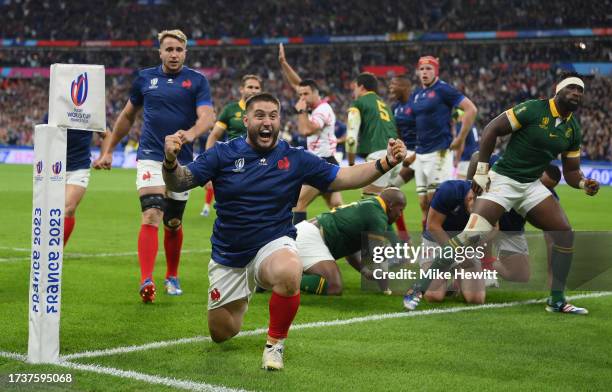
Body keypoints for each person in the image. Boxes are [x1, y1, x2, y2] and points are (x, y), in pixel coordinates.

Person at [161, 92, 407, 370]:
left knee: (291, 269)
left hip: (273, 244)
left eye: (273, 116)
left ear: (280, 121)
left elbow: (343, 177)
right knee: (222, 333)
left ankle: (274, 345)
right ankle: (243, 297)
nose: (267, 122)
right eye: (260, 116)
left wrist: (384, 162)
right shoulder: (223, 153)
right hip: (229, 254)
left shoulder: (295, 158)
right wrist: (170, 161)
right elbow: (180, 182)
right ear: (246, 120)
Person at [404, 73, 600, 315]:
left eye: (580, 91)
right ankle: (418, 288)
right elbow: (492, 129)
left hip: (530, 185)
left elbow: (570, 171)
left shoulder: (572, 129)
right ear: (557, 90)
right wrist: (482, 172)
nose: (577, 93)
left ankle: (557, 300)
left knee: (564, 234)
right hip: (504, 179)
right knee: (469, 236)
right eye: (572, 88)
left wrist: (582, 183)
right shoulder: (533, 109)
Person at [93, 29, 215, 302]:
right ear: (160, 52)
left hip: (181, 160)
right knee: (151, 213)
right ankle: (146, 280)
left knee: (172, 222)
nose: (174, 54)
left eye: (178, 50)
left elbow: (207, 115)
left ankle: (172, 274)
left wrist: (191, 135)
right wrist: (109, 150)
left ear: (185, 53)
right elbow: (127, 116)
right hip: (150, 153)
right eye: (169, 49)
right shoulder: (145, 78)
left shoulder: (197, 81)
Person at [408, 56, 477, 230]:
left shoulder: (444, 89)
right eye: (422, 69)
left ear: (436, 71)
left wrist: (460, 138)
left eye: (429, 69)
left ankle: (453, 241)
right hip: (421, 154)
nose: (425, 72)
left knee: (436, 202)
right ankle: (428, 242)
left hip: (438, 153)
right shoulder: (416, 94)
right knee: (423, 203)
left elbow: (471, 109)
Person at [296, 188, 406, 295]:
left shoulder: (373, 207)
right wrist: (386, 288)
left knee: (330, 281)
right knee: (333, 286)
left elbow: (349, 247)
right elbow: (377, 256)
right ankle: (285, 278)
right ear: (391, 205)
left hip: (307, 233)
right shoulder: (377, 216)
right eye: (400, 209)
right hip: (310, 238)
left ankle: (293, 270)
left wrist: (365, 271)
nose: (400, 214)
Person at [278, 43, 342, 224]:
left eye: (306, 94)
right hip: (326, 161)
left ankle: (299, 243)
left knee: (298, 203)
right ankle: (351, 244)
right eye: (301, 95)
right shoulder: (315, 105)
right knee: (336, 207)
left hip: (321, 163)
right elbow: (298, 85)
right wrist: (283, 63)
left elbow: (305, 130)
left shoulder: (322, 110)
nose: (302, 98)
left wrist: (301, 112)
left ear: (316, 93)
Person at [201, 75, 263, 217]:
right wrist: (208, 165)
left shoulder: (265, 112)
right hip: (235, 163)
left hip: (259, 164)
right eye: (250, 87)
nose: (253, 90)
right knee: (233, 207)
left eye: (257, 87)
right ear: (242, 89)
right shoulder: (230, 110)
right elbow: (214, 136)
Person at [346, 72, 398, 196]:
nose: (354, 92)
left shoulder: (359, 103)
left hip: (379, 155)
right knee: (389, 202)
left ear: (362, 87)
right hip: (396, 154)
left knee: (369, 200)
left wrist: (351, 164)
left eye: (355, 88)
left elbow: (351, 139)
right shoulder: (385, 105)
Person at [387, 76, 418, 241]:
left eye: (394, 84)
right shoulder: (395, 107)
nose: (390, 87)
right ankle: (405, 239)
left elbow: (426, 131)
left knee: (428, 200)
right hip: (406, 153)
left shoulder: (417, 104)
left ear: (405, 87)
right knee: (391, 192)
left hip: (422, 153)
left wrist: (415, 155)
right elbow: (397, 133)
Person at [453, 108, 479, 180]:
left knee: (461, 185)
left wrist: (457, 160)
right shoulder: (471, 124)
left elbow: (461, 145)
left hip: (465, 159)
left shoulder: (461, 125)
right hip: (475, 158)